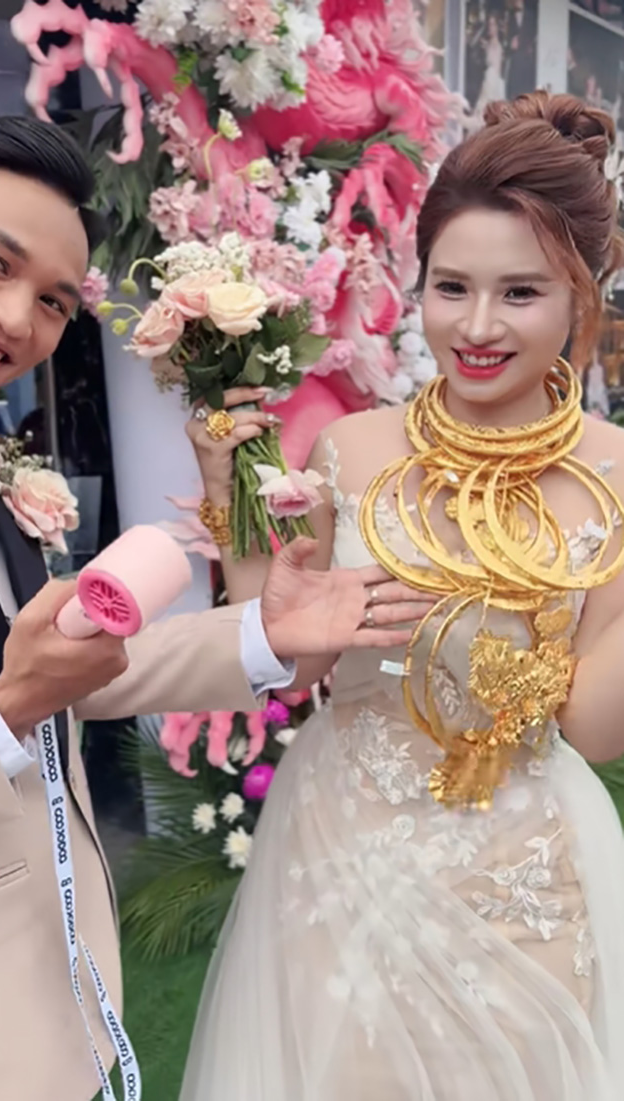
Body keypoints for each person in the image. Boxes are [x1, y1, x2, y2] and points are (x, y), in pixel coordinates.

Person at [0, 112, 421, 1101]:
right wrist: (7, 710)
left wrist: (263, 632)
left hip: (52, 1013)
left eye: (54, 301)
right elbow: (17, 695)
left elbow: (58, 673)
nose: (16, 317)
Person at [181, 91, 624, 1099]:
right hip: (342, 847)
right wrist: (225, 495)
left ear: (580, 296)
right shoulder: (352, 447)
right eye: (450, 286)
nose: (476, 326)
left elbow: (596, 729)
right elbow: (290, 656)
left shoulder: (614, 472)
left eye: (521, 293)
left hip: (521, 866)